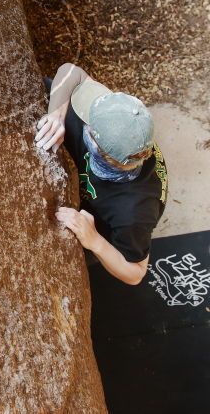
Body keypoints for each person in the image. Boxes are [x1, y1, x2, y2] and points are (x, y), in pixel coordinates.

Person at [36, 62, 167, 285]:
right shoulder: (118, 116)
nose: (85, 118)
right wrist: (57, 114)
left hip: (104, 222)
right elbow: (72, 72)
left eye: (89, 125)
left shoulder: (133, 213)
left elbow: (135, 273)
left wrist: (94, 240)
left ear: (101, 151)